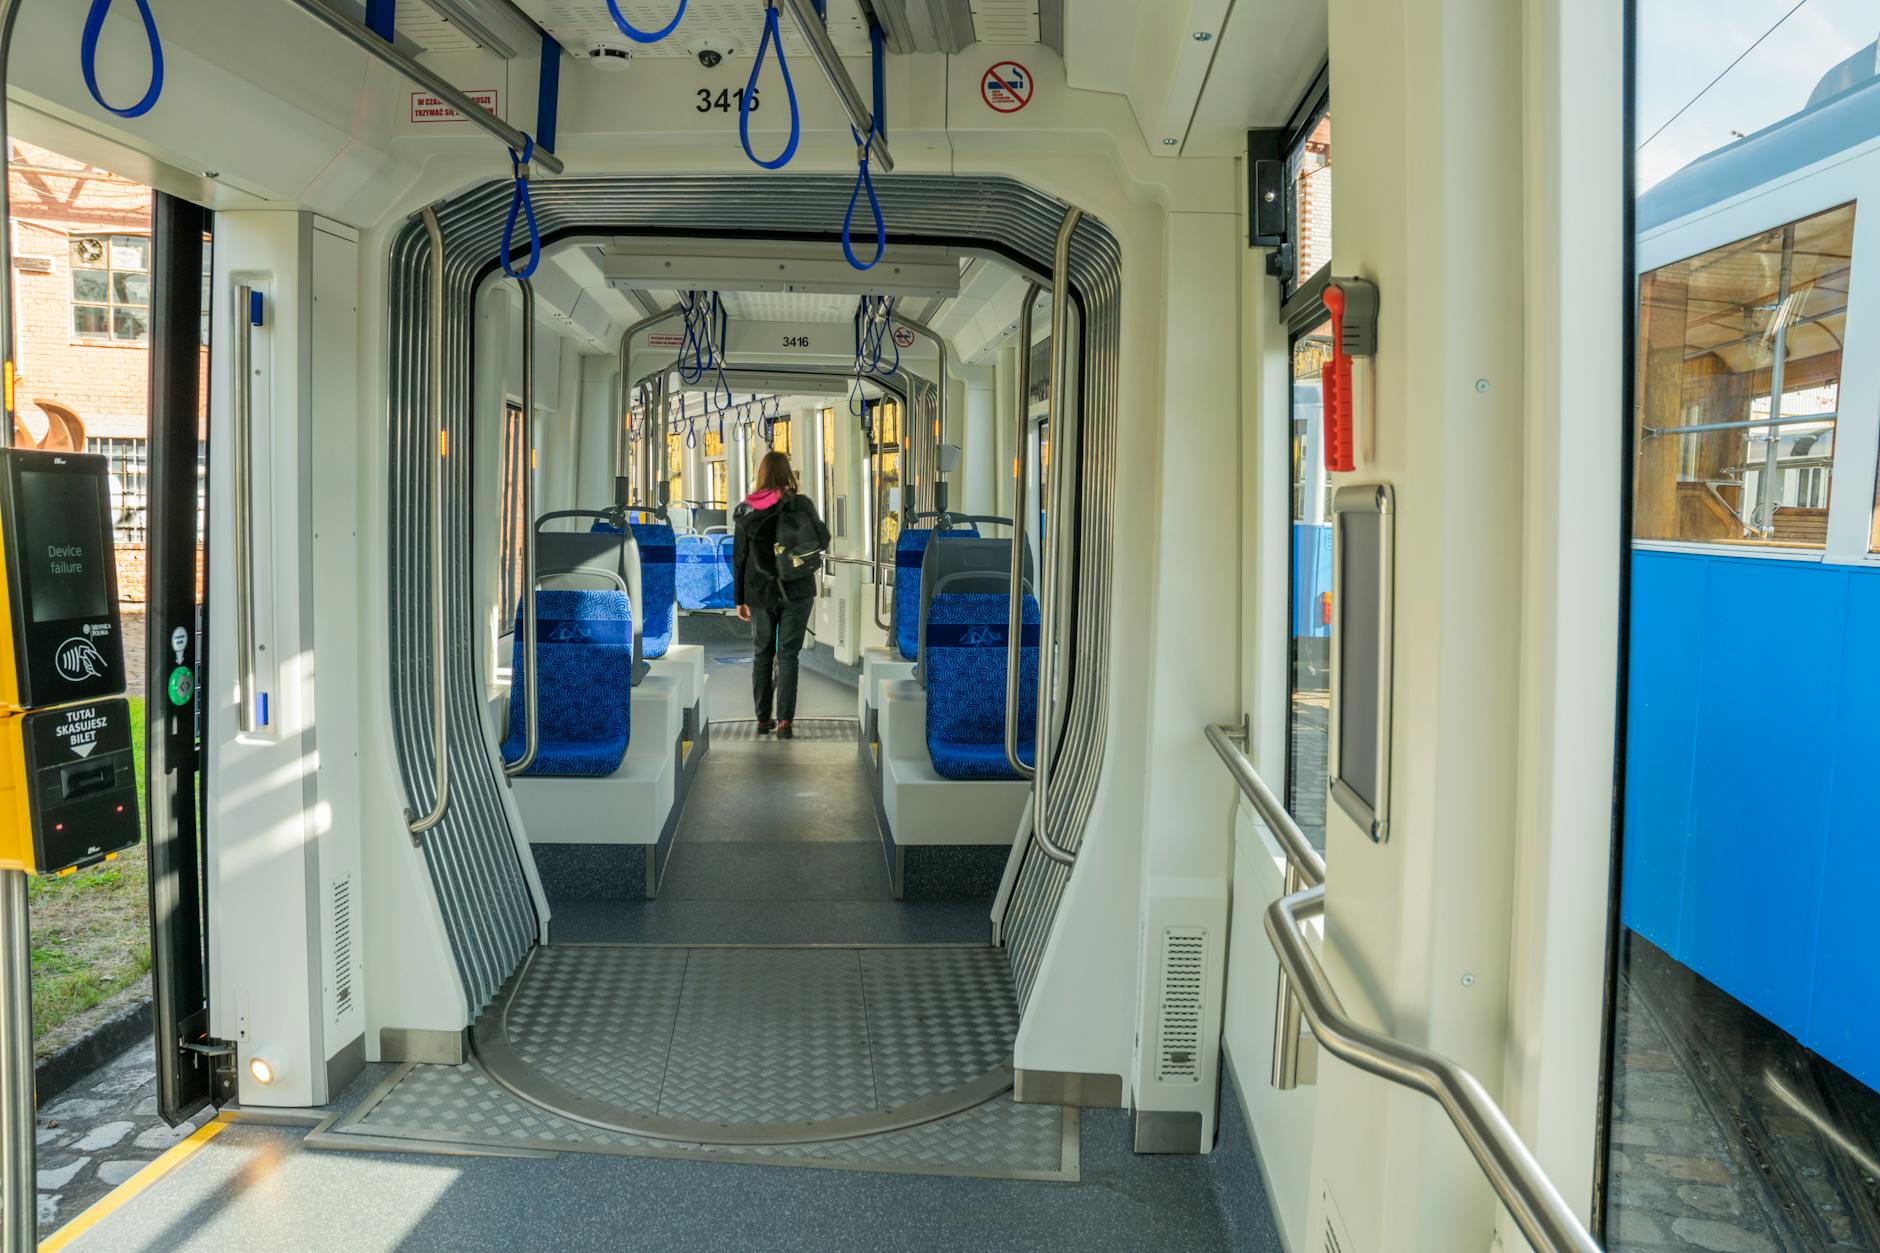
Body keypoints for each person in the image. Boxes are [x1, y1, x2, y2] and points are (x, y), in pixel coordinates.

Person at [733, 450, 830, 739]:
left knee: (762, 654)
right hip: (798, 588)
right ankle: (785, 722)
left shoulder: (746, 510)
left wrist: (739, 598)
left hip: (760, 591)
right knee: (789, 656)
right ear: (788, 473)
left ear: (761, 474)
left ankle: (763, 719)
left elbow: (739, 558)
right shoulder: (801, 504)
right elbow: (822, 539)